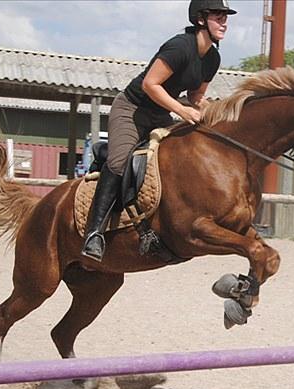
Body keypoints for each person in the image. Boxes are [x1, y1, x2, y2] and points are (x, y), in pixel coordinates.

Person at [82, 0, 237, 262]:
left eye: (226, 16)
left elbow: (196, 96)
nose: (224, 21)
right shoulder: (179, 47)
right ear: (201, 19)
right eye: (218, 15)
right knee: (119, 163)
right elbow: (150, 84)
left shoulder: (212, 57)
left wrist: (221, 115)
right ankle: (94, 233)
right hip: (132, 109)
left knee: (180, 157)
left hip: (158, 114)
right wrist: (182, 110)